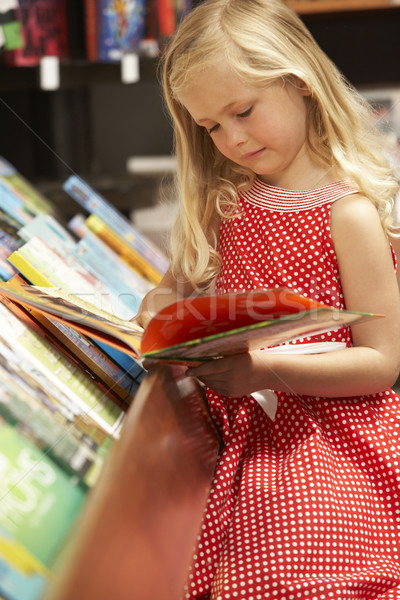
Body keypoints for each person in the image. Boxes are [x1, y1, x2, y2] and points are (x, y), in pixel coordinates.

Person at [134, 0, 400, 597]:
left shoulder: (348, 215)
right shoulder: (222, 201)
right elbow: (171, 287)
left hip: (328, 440)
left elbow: (382, 361)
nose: (231, 138)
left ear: (299, 83)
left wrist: (264, 367)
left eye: (243, 111)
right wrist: (156, 311)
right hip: (231, 421)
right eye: (211, 127)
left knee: (292, 560)